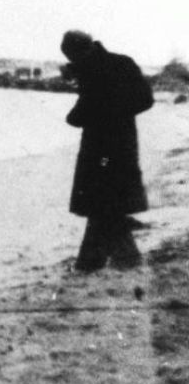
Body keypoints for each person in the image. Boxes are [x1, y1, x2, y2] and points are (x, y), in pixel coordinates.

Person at [60, 30, 154, 272]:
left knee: (102, 204)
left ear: (77, 54)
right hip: (123, 145)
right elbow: (146, 99)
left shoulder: (91, 72)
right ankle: (94, 262)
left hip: (99, 149)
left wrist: (88, 99)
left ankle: (119, 261)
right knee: (106, 203)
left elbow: (79, 115)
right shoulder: (122, 62)